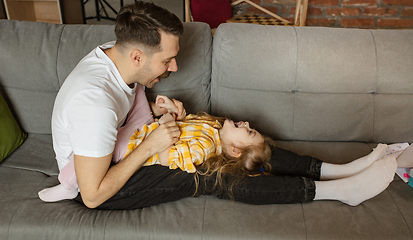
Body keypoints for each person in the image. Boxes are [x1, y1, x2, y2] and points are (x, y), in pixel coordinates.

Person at [39, 1, 399, 210]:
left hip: (119, 148)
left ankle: (337, 169)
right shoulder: (94, 105)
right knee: (209, 172)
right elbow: (92, 195)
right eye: (167, 61)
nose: (175, 68)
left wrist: (161, 118)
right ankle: (337, 192)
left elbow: (131, 116)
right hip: (96, 182)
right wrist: (150, 144)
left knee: (232, 141)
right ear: (138, 56)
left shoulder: (118, 55)